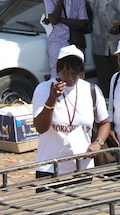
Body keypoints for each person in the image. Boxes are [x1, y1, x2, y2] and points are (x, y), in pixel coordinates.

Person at [32, 45, 110, 177]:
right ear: (58, 70)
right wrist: (51, 100)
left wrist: (98, 142)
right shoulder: (44, 89)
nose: (70, 78)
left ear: (82, 71)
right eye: (65, 73)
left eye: (75, 73)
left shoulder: (92, 90)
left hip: (82, 166)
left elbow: (104, 122)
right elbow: (40, 128)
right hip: (50, 166)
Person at [43, 0, 89, 78]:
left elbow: (82, 23)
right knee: (58, 74)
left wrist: (59, 19)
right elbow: (53, 20)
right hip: (57, 40)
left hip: (75, 41)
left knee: (77, 74)